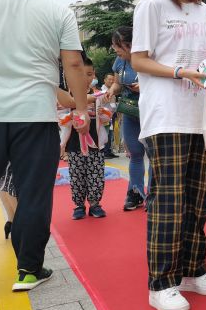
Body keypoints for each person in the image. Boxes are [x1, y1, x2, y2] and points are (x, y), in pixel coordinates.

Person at [0, 0, 88, 298]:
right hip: (34, 115)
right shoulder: (58, 11)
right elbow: (74, 65)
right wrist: (81, 109)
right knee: (34, 194)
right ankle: (29, 269)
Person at [131, 0, 206, 310]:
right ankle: (161, 283)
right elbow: (139, 59)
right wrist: (178, 71)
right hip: (166, 116)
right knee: (169, 199)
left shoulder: (203, 11)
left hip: (201, 115)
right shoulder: (152, 4)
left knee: (199, 198)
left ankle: (192, 270)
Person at [58, 55, 107, 220]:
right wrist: (69, 118)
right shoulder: (66, 98)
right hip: (74, 146)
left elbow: (107, 118)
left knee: (96, 175)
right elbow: (60, 119)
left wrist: (103, 113)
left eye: (89, 74)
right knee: (77, 176)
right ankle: (78, 205)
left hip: (96, 146)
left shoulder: (99, 96)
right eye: (81, 74)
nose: (86, 78)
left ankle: (95, 204)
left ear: (94, 75)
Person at [107, 27, 148, 211]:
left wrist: (144, 86)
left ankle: (154, 194)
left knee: (154, 155)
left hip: (149, 111)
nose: (115, 50)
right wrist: (112, 90)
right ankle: (135, 192)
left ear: (130, 45)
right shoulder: (119, 61)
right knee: (135, 153)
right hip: (130, 112)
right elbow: (116, 82)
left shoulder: (147, 57)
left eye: (118, 46)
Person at [100, 73, 118, 159]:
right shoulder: (102, 90)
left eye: (113, 80)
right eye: (109, 79)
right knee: (105, 132)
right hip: (104, 114)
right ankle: (105, 151)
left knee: (110, 133)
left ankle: (108, 150)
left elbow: (113, 104)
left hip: (112, 114)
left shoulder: (112, 90)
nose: (111, 81)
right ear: (104, 80)